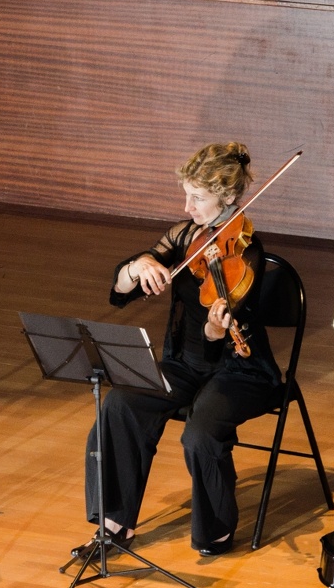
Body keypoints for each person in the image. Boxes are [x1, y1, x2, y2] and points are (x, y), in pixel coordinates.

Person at [76, 141, 281, 558]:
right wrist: (137, 268)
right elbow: (119, 293)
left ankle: (216, 532)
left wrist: (212, 329)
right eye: (186, 194)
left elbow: (217, 344)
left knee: (200, 434)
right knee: (121, 405)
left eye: (198, 198)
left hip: (239, 371)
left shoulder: (247, 251)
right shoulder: (184, 236)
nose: (187, 206)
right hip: (183, 364)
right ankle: (115, 524)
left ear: (226, 197)